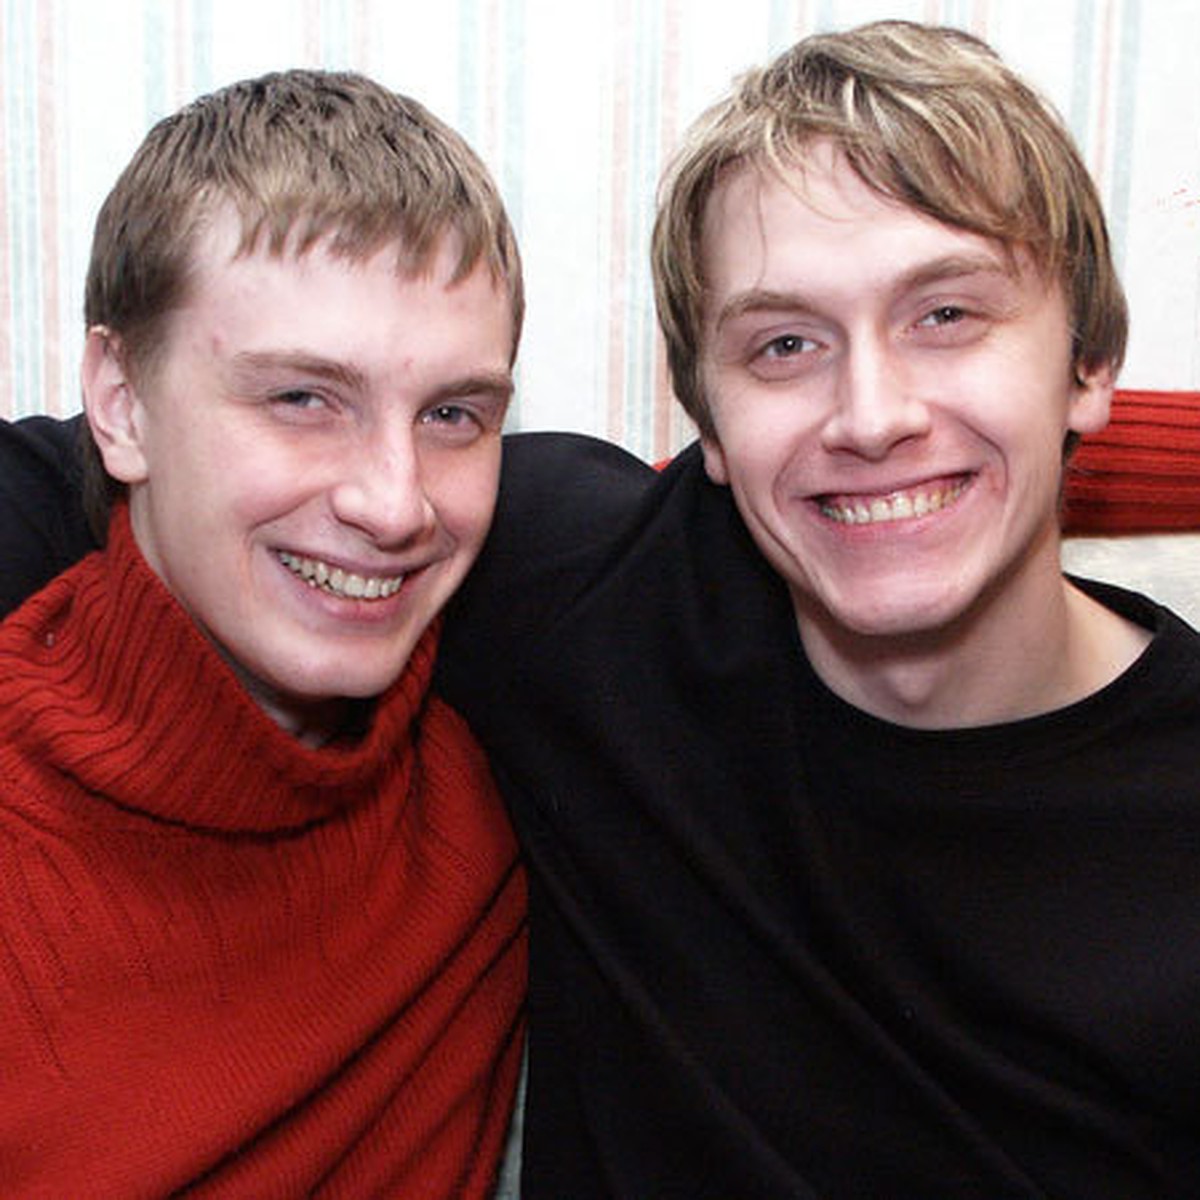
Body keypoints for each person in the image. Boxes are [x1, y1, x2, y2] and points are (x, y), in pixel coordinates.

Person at [5, 21, 1200, 1199]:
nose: (875, 417)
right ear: (710, 423)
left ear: (1090, 361)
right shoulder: (583, 606)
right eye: (785, 345)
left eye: (948, 316)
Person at [0, 70, 527, 1197]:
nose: (394, 503)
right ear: (121, 405)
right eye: (302, 399)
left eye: (453, 415)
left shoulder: (509, 783)